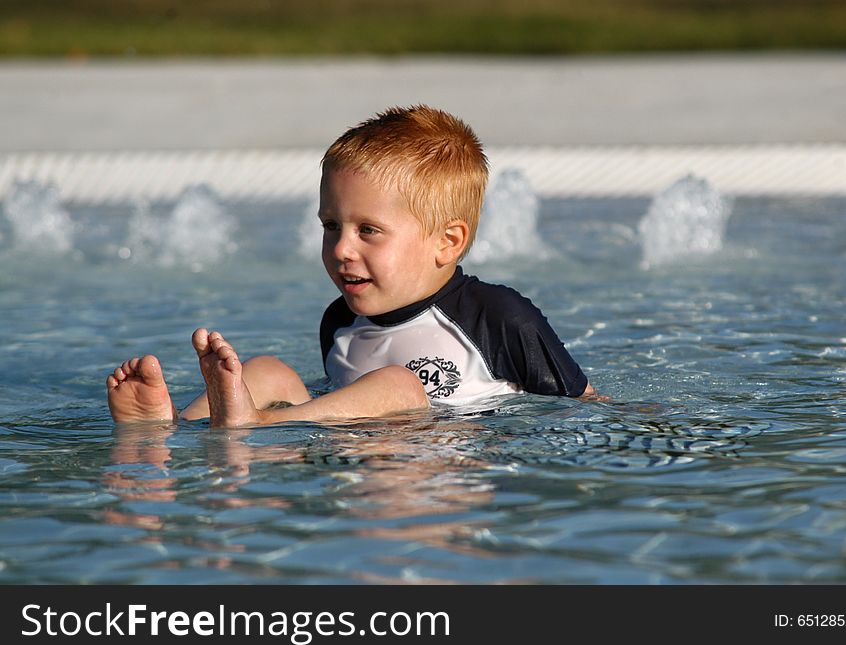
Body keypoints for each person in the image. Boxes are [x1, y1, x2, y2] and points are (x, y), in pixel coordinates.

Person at [107, 105, 599, 428]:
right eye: (330, 226)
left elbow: (586, 408)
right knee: (269, 371)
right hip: (346, 456)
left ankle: (250, 422)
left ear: (447, 242)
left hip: (437, 473)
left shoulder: (499, 317)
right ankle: (171, 427)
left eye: (368, 231)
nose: (341, 249)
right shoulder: (340, 321)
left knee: (399, 383)